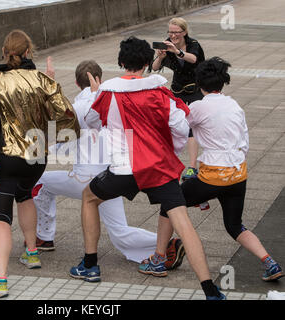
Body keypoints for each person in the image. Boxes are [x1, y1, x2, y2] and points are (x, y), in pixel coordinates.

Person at [70, 36, 225, 300]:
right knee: (184, 224)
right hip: (158, 167)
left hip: (123, 168)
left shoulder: (108, 93)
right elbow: (179, 126)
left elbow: (91, 120)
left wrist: (97, 95)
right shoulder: (161, 92)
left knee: (89, 197)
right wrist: (168, 150)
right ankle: (210, 290)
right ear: (146, 63)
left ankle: (90, 264)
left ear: (121, 62)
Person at [32, 60, 185, 268]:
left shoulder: (75, 107)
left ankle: (44, 236)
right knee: (120, 233)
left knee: (38, 182)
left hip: (82, 178)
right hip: (111, 176)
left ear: (77, 84)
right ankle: (165, 243)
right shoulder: (114, 99)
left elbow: (60, 145)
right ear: (100, 79)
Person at [0, 29, 80, 298]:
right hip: (37, 158)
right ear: (28, 52)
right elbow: (65, 113)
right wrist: (51, 82)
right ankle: (31, 253)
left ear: (4, 52)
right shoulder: (40, 80)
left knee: (0, 217)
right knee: (25, 196)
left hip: (7, 158)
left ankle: (0, 281)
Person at [179, 57, 283, 282]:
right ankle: (269, 261)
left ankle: (160, 257)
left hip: (213, 175)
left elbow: (180, 128)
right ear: (222, 82)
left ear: (198, 83)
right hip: (238, 174)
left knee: (171, 203)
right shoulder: (234, 105)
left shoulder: (198, 106)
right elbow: (244, 141)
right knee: (234, 225)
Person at [152, 17, 205, 181]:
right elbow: (154, 68)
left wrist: (177, 52)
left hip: (194, 87)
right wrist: (160, 56)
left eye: (176, 32)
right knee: (169, 124)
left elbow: (195, 59)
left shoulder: (193, 44)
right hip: (177, 89)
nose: (173, 35)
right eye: (170, 32)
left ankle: (192, 167)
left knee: (192, 126)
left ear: (184, 32)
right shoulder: (167, 44)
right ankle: (167, 163)